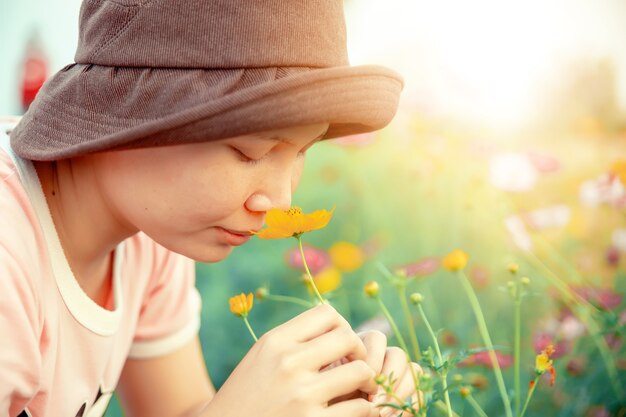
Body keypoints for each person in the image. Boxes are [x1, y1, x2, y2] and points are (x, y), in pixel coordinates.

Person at [1, 1, 418, 416]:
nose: (279, 202)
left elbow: (180, 409)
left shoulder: (149, 236)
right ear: (127, 114)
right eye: (248, 151)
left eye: (301, 152)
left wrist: (319, 398)